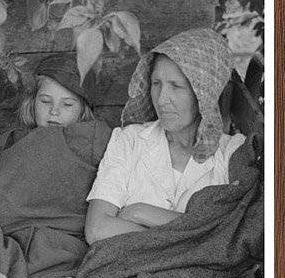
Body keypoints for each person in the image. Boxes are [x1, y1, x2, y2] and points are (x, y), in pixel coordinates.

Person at [0, 53, 110, 278]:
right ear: (32, 101)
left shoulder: (93, 138)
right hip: (8, 243)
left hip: (60, 250)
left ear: (83, 110)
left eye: (67, 105)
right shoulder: (10, 142)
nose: (54, 112)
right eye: (45, 101)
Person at [85, 28, 245, 244]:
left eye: (176, 86)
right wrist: (190, 236)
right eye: (156, 84)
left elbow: (228, 237)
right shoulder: (129, 140)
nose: (161, 99)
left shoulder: (231, 153)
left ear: (205, 93)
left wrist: (139, 212)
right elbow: (97, 229)